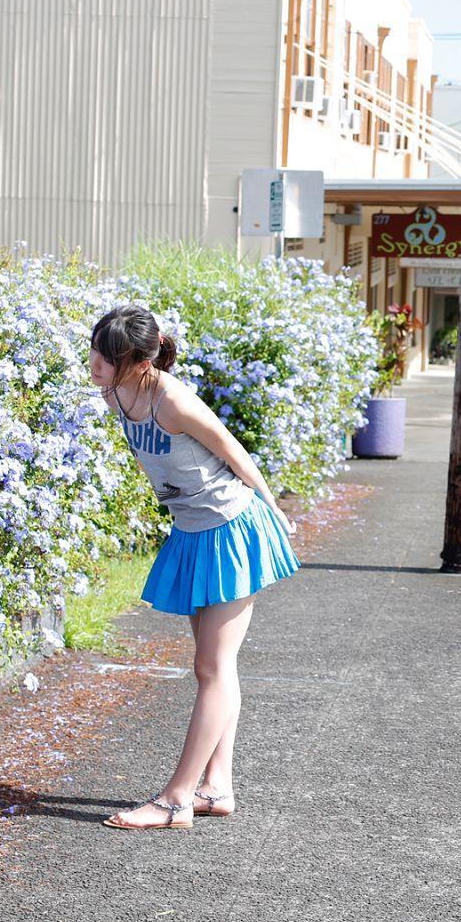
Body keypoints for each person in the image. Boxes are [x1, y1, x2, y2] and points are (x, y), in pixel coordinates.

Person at [89, 305, 299, 831]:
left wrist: (273, 508)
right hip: (192, 530)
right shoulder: (113, 393)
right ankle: (216, 787)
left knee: (212, 668)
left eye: (107, 356)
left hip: (232, 528)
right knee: (214, 668)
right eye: (94, 348)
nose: (94, 362)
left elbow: (232, 449)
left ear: (139, 361)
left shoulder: (174, 400)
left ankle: (176, 799)